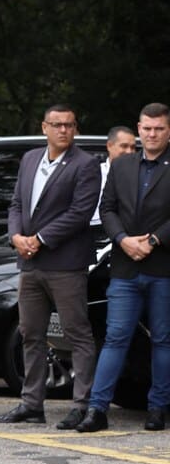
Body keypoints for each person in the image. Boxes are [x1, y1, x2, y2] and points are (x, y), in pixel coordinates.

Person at [0, 104, 101, 429]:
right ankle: (31, 404)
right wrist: (15, 236)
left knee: (76, 334)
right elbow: (16, 204)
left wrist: (38, 238)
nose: (63, 130)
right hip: (29, 263)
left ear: (75, 128)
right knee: (30, 334)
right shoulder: (29, 159)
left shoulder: (86, 164)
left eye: (69, 125)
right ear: (44, 127)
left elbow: (80, 213)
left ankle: (81, 405)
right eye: (57, 124)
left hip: (65, 264)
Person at [77, 103, 170, 433]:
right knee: (116, 338)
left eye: (158, 128)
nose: (152, 134)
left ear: (167, 130)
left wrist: (154, 241)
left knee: (162, 340)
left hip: (163, 267)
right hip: (125, 267)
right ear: (139, 128)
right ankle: (97, 409)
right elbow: (108, 207)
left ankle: (157, 408)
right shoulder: (123, 165)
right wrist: (123, 239)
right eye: (146, 128)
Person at [93, 126, 137, 232]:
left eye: (133, 147)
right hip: (92, 232)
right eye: (124, 146)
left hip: (125, 235)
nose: (129, 151)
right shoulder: (93, 173)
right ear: (109, 146)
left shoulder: (139, 175)